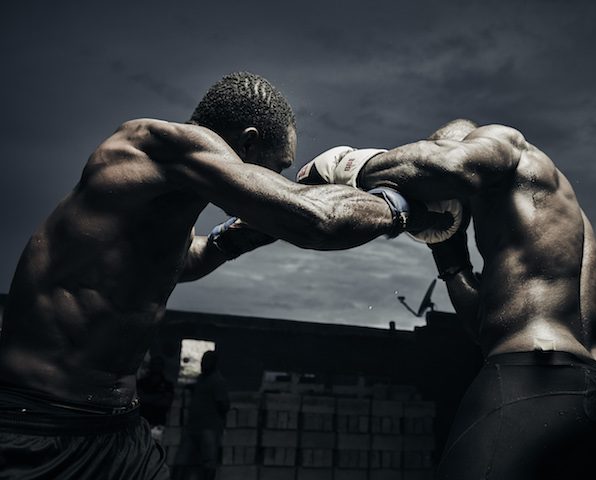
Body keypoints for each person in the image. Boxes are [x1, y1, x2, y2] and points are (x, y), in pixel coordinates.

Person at [0, 72, 447, 480]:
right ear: (248, 145)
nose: (279, 178)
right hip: (37, 423)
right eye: (279, 166)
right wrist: (397, 204)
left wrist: (247, 231)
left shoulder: (172, 190)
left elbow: (188, 259)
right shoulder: (153, 145)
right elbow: (319, 221)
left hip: (119, 429)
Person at [298, 119, 596, 479]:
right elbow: (487, 330)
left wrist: (349, 165)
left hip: (533, 378)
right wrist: (449, 254)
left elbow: (451, 167)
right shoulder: (543, 215)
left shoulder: (506, 144)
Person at [173, 351, 229, 480]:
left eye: (207, 361)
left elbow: (224, 405)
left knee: (208, 460)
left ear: (214, 363)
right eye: (203, 361)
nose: (203, 364)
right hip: (193, 426)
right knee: (181, 458)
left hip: (208, 427)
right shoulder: (201, 378)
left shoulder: (217, 381)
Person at [137, 355, 175, 442]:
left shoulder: (167, 385)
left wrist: (148, 398)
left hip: (158, 423)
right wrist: (160, 396)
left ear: (162, 366)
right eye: (154, 364)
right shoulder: (142, 382)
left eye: (158, 364)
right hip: (140, 423)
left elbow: (166, 403)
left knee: (154, 448)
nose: (156, 366)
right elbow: (140, 399)